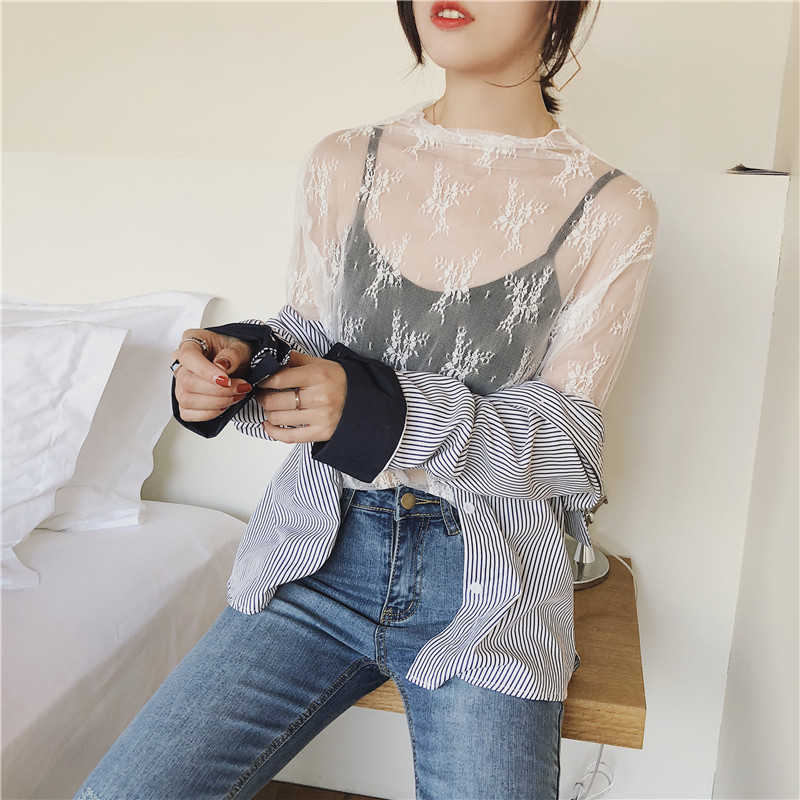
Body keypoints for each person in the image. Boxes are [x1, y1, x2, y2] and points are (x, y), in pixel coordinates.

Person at [76, 2, 658, 798]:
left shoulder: (613, 206)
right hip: (316, 552)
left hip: (489, 590)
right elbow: (311, 337)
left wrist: (380, 413)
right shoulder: (346, 160)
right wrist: (234, 363)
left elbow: (568, 447)